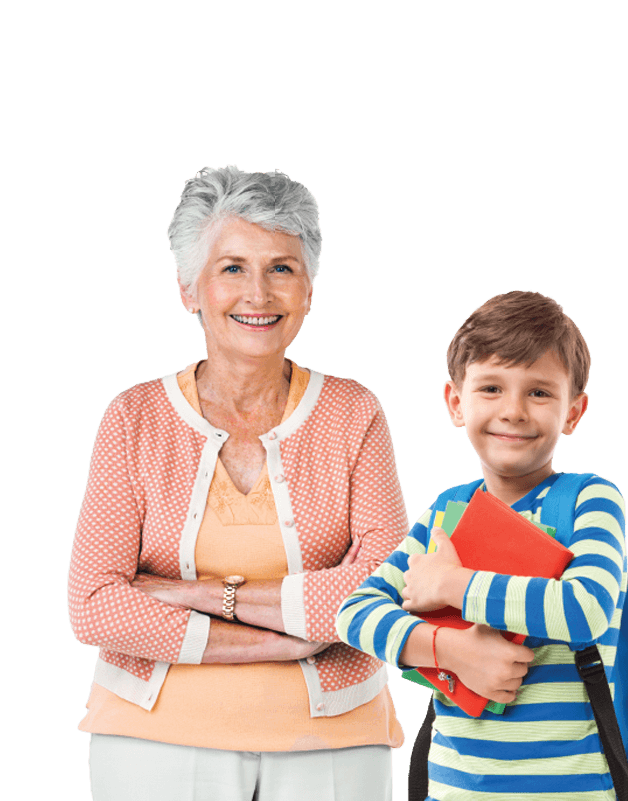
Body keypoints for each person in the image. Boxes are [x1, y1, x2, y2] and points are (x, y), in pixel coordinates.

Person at [67, 165, 407, 801]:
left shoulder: (353, 411)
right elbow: (92, 605)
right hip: (152, 741)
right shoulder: (133, 416)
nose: (259, 293)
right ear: (188, 286)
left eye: (281, 267)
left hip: (333, 741)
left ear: (307, 288)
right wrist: (281, 644)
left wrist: (185, 595)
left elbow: (382, 586)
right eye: (231, 268)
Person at [336, 290, 627, 800]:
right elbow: (355, 616)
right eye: (491, 388)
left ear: (573, 412)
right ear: (455, 401)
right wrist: (452, 650)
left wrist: (451, 584)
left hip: (571, 792)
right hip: (455, 789)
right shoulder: (447, 514)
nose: (512, 411)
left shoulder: (590, 499)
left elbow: (586, 609)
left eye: (539, 393)